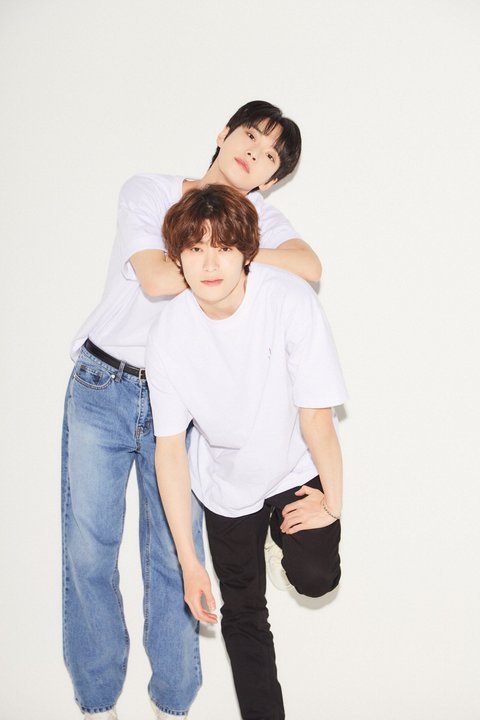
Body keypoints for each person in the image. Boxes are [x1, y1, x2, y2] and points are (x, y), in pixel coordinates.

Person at [62, 101, 321, 720]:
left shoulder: (264, 219)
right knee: (88, 551)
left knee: (173, 555)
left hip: (180, 403)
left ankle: (172, 703)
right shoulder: (149, 191)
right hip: (102, 385)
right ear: (223, 134)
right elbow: (156, 279)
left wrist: (232, 245)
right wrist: (226, 254)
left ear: (271, 179)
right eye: (250, 135)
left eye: (270, 155)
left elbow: (310, 268)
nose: (254, 152)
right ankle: (97, 703)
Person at [146, 185, 347, 720]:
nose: (210, 264)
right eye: (195, 249)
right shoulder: (168, 334)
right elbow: (170, 450)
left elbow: (316, 416)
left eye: (224, 247)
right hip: (227, 484)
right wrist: (190, 563)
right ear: (178, 258)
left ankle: (284, 539)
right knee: (243, 614)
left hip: (293, 467)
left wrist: (333, 503)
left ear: (246, 251)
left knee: (316, 577)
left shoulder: (288, 300)